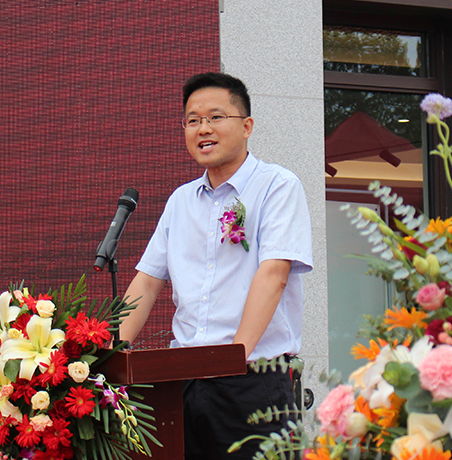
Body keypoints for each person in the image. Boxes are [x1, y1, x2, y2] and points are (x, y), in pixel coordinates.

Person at [119, 72, 313, 460]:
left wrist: (232, 357)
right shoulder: (181, 201)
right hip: (183, 382)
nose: (203, 129)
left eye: (215, 117)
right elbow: (147, 282)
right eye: (193, 120)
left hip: (253, 381)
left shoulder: (277, 186)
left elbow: (273, 274)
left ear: (247, 126)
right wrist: (109, 356)